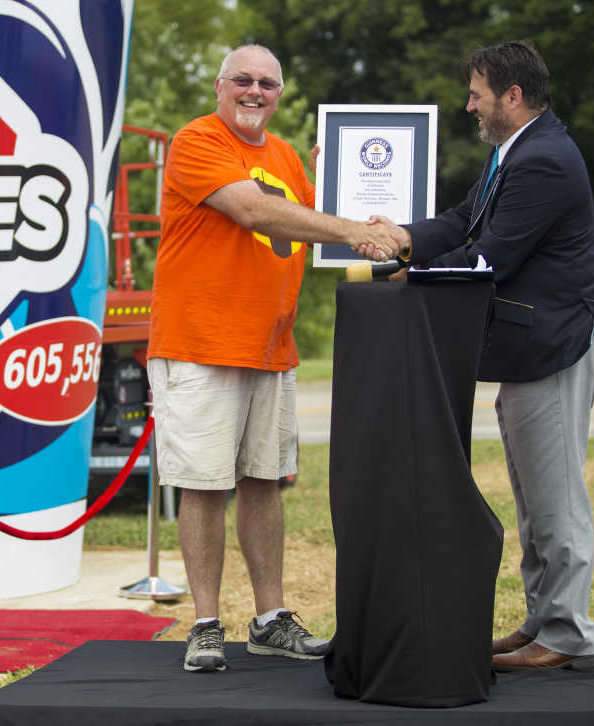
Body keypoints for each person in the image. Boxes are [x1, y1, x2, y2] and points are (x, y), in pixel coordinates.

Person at [146, 43, 399, 673]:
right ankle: (205, 624)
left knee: (264, 482)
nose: (255, 92)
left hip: (270, 345)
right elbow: (255, 209)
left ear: (280, 94)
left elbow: (316, 225)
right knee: (204, 486)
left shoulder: (286, 155)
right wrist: (352, 229)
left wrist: (385, 234)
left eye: (268, 84)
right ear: (219, 86)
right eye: (243, 81)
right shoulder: (196, 141)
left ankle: (270, 619)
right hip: (200, 342)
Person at [370, 40, 594, 671]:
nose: (469, 104)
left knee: (555, 497)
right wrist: (403, 239)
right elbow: (461, 221)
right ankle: (542, 620)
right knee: (535, 496)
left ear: (512, 95)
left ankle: (565, 634)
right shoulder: (515, 153)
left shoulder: (545, 161)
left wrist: (413, 275)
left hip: (556, 347)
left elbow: (492, 254)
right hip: (530, 349)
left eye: (477, 93)